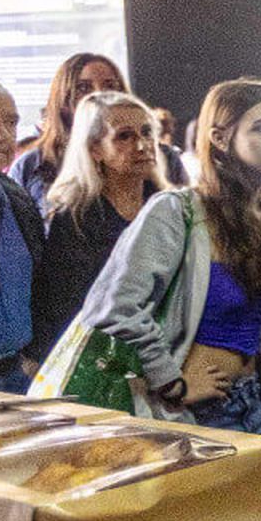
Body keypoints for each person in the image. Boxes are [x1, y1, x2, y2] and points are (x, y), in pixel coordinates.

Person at [69, 79, 261, 435]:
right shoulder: (178, 211)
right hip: (198, 411)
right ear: (219, 138)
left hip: (256, 403)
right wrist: (172, 381)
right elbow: (113, 307)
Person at [28, 92, 170, 367]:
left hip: (168, 354)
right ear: (95, 149)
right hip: (102, 362)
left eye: (147, 132)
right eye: (124, 136)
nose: (142, 145)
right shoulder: (75, 218)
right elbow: (64, 308)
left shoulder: (172, 207)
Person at [9, 54, 184, 204]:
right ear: (63, 98)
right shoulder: (31, 165)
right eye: (83, 88)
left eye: (110, 86)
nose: (98, 94)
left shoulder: (164, 157)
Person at [0, 80, 43, 394]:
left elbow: (43, 288)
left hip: (14, 381)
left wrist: (34, 357)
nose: (0, 135)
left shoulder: (16, 200)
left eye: (10, 122)